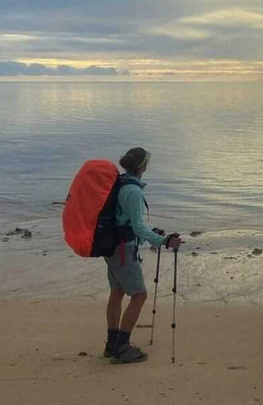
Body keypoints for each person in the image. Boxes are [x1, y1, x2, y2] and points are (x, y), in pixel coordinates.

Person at [104, 147, 183, 364]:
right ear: (143, 166)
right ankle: (122, 347)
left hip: (112, 247)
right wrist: (164, 241)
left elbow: (126, 221)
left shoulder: (120, 183)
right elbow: (137, 227)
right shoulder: (134, 191)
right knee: (139, 296)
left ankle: (112, 344)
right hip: (124, 250)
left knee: (117, 292)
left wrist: (153, 234)